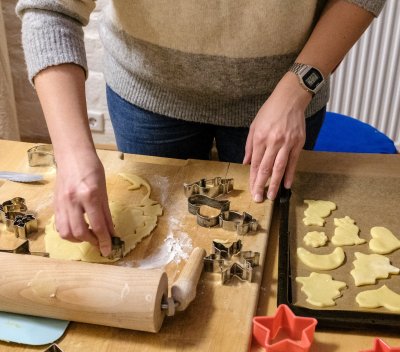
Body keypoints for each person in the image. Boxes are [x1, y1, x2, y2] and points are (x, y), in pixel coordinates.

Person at [16, 0, 385, 256]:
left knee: (271, 248)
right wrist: (71, 154)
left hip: (285, 92)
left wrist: (297, 89)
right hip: (147, 92)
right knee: (151, 241)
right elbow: (50, 9)